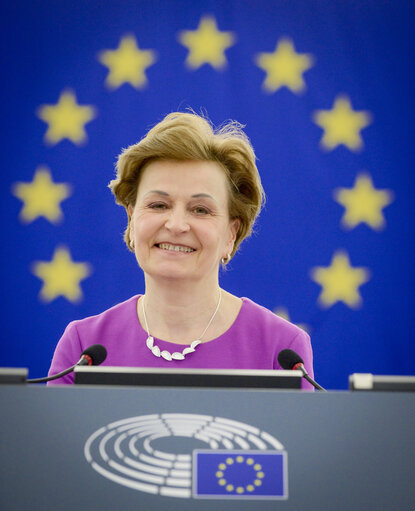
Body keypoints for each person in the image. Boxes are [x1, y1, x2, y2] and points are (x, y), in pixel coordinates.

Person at [47, 111, 314, 388]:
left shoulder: (283, 350)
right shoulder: (84, 348)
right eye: (158, 205)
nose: (176, 225)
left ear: (230, 235)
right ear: (131, 220)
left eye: (200, 210)